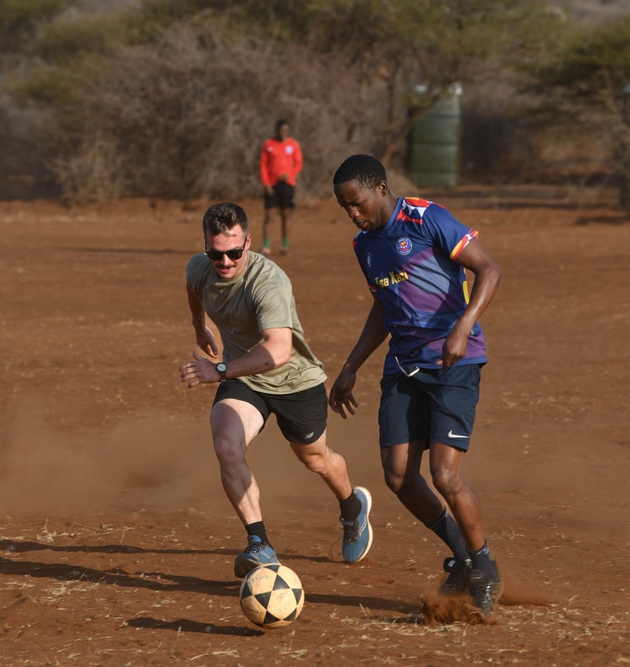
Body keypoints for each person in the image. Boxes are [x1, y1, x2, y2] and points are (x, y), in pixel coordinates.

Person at [328, 154, 503, 616]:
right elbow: (384, 306)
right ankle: (461, 558)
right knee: (398, 477)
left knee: (446, 476)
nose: (353, 213)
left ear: (380, 188)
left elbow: (489, 270)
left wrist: (463, 327)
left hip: (453, 363)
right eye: (345, 207)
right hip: (403, 367)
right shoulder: (364, 245)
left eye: (357, 202)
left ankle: (484, 567)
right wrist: (351, 366)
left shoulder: (426, 219)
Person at [180, 201, 370, 578]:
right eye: (216, 254)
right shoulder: (200, 268)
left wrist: (219, 370)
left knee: (314, 459)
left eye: (234, 253)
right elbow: (193, 285)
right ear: (205, 246)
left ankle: (352, 507)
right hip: (243, 380)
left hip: (294, 381)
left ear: (248, 242)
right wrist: (199, 324)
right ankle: (259, 543)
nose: (226, 262)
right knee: (226, 446)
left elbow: (279, 351)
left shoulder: (269, 282)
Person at [259, 119, 303, 256]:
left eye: (286, 130)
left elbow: (299, 163)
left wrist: (289, 175)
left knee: (286, 215)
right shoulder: (268, 144)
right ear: (276, 130)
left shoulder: (293, 144)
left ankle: (285, 246)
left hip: (288, 185)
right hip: (272, 185)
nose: (283, 133)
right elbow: (263, 166)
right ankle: (266, 246)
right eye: (281, 130)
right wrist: (266, 184)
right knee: (269, 216)